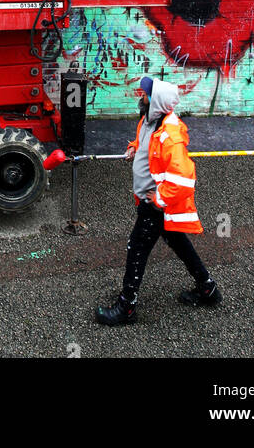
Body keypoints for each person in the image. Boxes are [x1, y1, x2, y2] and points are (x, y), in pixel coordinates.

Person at [95, 75, 222, 325]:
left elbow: (184, 178)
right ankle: (208, 289)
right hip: (153, 202)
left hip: (155, 207)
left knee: (137, 248)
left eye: (144, 94)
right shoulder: (150, 122)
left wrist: (159, 199)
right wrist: (134, 147)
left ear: (155, 101)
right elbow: (145, 143)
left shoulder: (170, 136)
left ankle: (126, 307)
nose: (140, 96)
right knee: (178, 242)